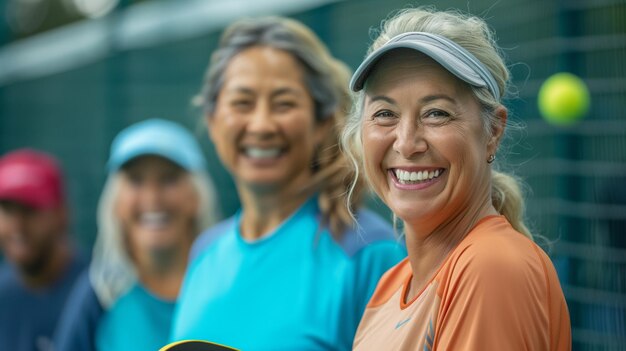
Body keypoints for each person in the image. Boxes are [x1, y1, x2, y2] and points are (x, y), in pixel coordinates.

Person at [341, 7, 572, 350]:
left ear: (493, 130)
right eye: (385, 114)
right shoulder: (391, 285)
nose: (406, 142)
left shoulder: (490, 267)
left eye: (436, 113)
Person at [170, 16, 406, 350]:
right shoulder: (203, 253)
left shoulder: (371, 254)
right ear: (212, 119)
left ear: (322, 121)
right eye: (242, 102)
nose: (262, 125)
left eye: (284, 103)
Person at [54, 118, 219, 351]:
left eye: (169, 179)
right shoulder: (101, 294)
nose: (152, 198)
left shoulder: (226, 282)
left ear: (196, 196)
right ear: (116, 202)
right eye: (135, 180)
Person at [0, 149, 86, 351]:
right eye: (8, 210)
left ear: (62, 213)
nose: (17, 226)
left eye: (30, 210)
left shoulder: (98, 290)